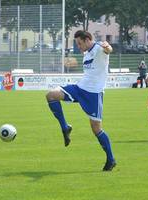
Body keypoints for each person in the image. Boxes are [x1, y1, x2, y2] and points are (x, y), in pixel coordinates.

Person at [46, 30, 116, 171]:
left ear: (87, 40)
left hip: (94, 95)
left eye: (79, 43)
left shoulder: (99, 48)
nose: (78, 46)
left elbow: (108, 50)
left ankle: (111, 159)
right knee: (51, 95)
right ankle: (65, 127)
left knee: (96, 129)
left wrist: (107, 47)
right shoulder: (86, 54)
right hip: (80, 88)